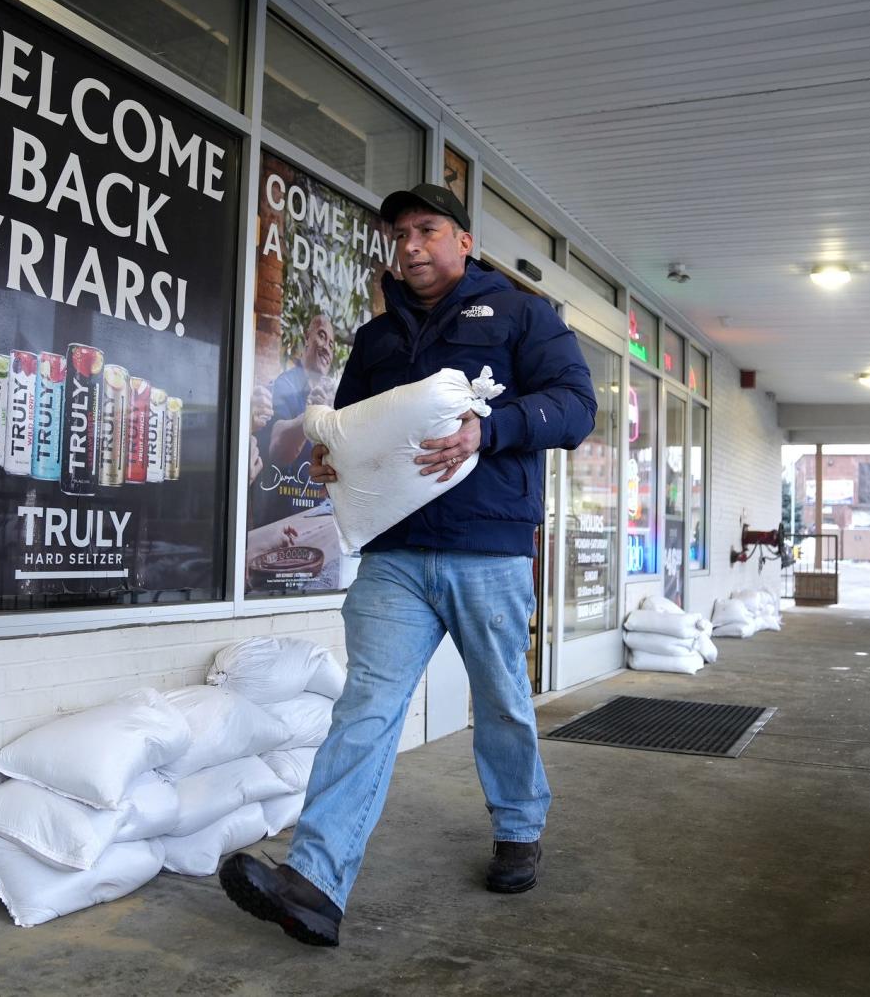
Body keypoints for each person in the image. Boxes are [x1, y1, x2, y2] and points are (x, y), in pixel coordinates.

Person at [221, 184, 597, 947]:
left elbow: (576, 407)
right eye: (400, 235)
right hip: (393, 552)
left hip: (486, 547)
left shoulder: (524, 316)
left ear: (464, 239)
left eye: (427, 231)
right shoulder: (377, 336)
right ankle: (318, 885)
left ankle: (520, 826)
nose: (411, 246)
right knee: (366, 706)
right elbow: (352, 429)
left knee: (498, 700)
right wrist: (332, 459)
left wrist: (485, 433)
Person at [249, 314, 336, 528]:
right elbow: (279, 449)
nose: (326, 347)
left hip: (315, 521)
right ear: (307, 338)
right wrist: (312, 415)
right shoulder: (286, 384)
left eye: (332, 345)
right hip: (280, 521)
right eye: (321, 336)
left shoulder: (330, 397)